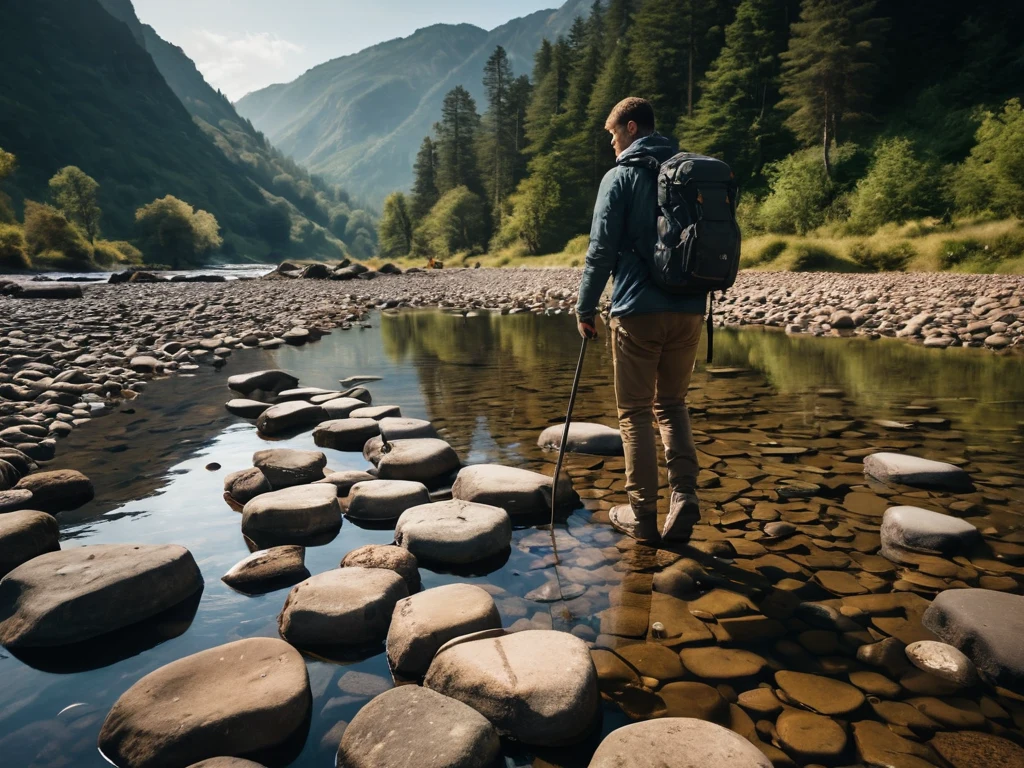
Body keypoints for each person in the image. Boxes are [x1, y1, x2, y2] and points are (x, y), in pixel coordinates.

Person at [575, 97, 706, 546]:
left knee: (633, 413)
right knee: (672, 404)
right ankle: (684, 494)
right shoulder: (689, 172)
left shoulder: (621, 176)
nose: (612, 145)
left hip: (637, 311)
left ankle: (643, 516)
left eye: (613, 135)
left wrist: (584, 309)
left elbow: (600, 252)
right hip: (690, 309)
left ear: (631, 128)